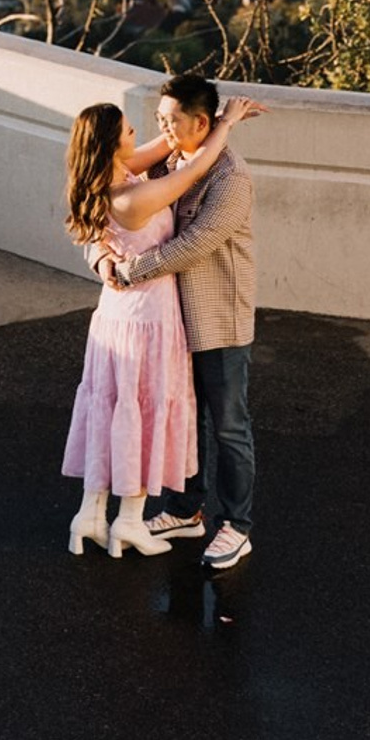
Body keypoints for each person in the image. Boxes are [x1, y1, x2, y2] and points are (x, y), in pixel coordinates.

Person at [59, 98, 245, 560]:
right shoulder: (130, 196)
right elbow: (192, 170)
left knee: (114, 411)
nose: (136, 135)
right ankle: (128, 522)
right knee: (142, 413)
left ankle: (90, 514)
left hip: (115, 318)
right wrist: (224, 124)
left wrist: (185, 122)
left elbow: (163, 146)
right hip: (147, 319)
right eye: (127, 131)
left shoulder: (103, 177)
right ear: (110, 144)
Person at [95, 72, 265, 572]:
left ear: (202, 122)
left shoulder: (230, 178)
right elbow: (107, 207)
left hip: (216, 319)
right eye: (160, 120)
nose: (163, 129)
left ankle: (237, 525)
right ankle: (184, 509)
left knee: (229, 425)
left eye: (172, 121)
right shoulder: (169, 161)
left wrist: (131, 271)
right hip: (168, 321)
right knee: (183, 416)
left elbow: (194, 244)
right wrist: (100, 259)